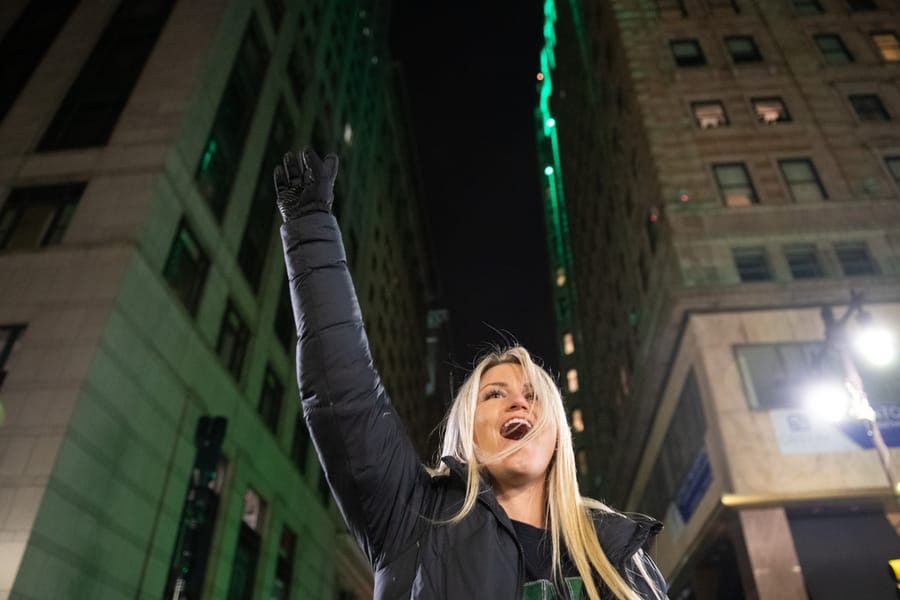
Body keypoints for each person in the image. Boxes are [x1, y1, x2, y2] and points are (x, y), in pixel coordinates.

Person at [274, 148, 668, 600]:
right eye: (494, 394)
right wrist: (309, 228)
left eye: (534, 395)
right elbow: (345, 394)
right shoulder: (414, 517)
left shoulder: (617, 551)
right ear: (467, 432)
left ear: (558, 433)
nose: (519, 401)